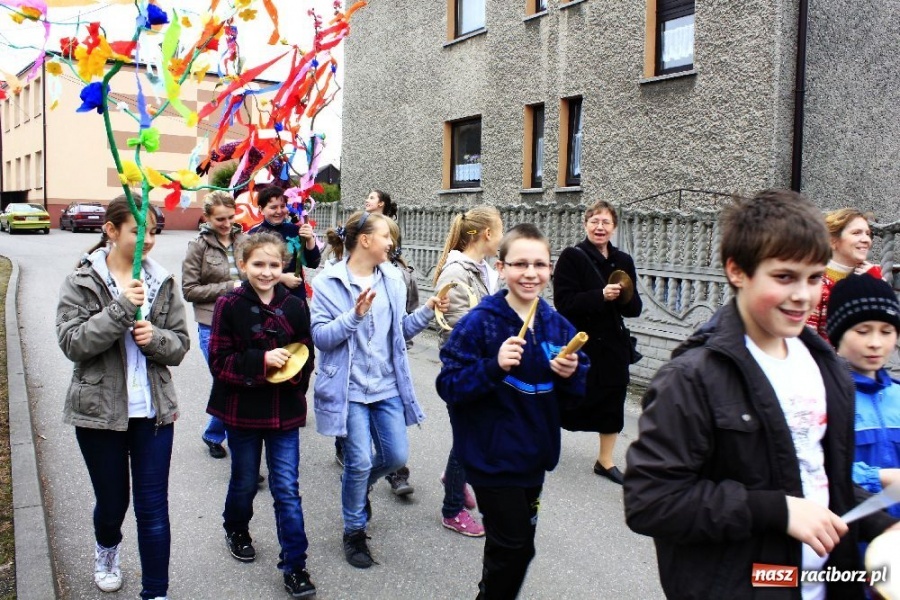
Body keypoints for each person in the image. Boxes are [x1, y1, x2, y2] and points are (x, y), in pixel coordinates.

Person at [623, 190, 900, 599]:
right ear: (738, 271)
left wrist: (879, 523)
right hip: (745, 585)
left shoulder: (827, 367)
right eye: (784, 277)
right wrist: (778, 510)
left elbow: (818, 477)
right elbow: (651, 500)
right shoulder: (691, 377)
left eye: (812, 277)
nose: (802, 295)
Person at [437, 223, 588, 599]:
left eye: (539, 264)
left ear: (550, 269)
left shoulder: (558, 326)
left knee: (509, 547)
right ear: (501, 268)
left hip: (534, 458)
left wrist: (572, 374)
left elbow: (577, 396)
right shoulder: (480, 323)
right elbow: (449, 385)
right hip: (491, 459)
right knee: (517, 548)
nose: (531, 273)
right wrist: (493, 366)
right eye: (520, 264)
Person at [56, 194, 190, 600]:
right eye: (138, 230)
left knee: (153, 509)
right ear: (111, 231)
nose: (148, 239)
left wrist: (155, 340)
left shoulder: (162, 280)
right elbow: (73, 343)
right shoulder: (82, 281)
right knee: (113, 504)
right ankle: (107, 550)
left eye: (153, 230)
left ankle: (156, 592)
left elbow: (180, 346)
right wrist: (118, 310)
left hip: (152, 413)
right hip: (98, 415)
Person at [310, 210, 448, 569]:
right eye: (386, 235)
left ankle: (357, 486)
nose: (392, 242)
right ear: (365, 240)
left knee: (396, 457)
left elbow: (399, 331)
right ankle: (354, 529)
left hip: (386, 385)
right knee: (358, 460)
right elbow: (322, 338)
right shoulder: (329, 282)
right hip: (349, 388)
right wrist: (354, 316)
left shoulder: (393, 278)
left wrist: (429, 312)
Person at [205, 232, 317, 598]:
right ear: (243, 264)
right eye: (258, 264)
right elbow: (219, 362)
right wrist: (262, 361)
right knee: (244, 479)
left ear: (283, 264)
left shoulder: (295, 304)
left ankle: (295, 564)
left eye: (273, 264)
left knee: (287, 489)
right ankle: (236, 527)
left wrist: (295, 381)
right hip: (242, 411)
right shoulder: (229, 304)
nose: (266, 272)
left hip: (284, 411)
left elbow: (306, 352)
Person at [553, 200, 642, 484]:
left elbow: (634, 309)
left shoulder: (623, 261)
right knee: (565, 398)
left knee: (613, 401)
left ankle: (605, 461)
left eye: (605, 222)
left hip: (614, 345)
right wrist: (600, 296)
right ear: (585, 224)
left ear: (614, 227)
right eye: (594, 221)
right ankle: (537, 441)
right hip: (581, 343)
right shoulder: (572, 257)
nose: (599, 227)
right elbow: (564, 303)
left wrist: (625, 297)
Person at [432, 206, 504, 537]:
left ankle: (454, 478)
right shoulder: (457, 272)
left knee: (473, 435)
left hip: (481, 366)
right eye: (500, 230)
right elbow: (455, 328)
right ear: (487, 234)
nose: (502, 237)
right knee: (468, 437)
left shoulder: (482, 269)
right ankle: (451, 510)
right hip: (464, 368)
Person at [826, 274, 900, 518]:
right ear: (838, 334)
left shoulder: (897, 395)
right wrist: (878, 476)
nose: (875, 343)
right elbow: (810, 470)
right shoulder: (821, 395)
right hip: (842, 536)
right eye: (863, 331)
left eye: (886, 331)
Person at [182, 191, 245, 459]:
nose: (227, 223)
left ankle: (213, 433)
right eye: (220, 218)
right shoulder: (198, 247)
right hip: (212, 325)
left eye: (231, 217)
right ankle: (242, 452)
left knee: (235, 384)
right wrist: (230, 287)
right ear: (207, 217)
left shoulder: (245, 240)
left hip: (243, 323)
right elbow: (189, 290)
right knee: (228, 382)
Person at [807, 207, 883, 340]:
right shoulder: (814, 283)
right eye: (856, 233)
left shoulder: (871, 276)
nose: (866, 239)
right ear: (832, 241)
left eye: (868, 233)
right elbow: (808, 342)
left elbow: (884, 329)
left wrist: (876, 285)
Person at [248, 185, 321, 305]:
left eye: (282, 206)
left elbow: (313, 263)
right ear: (261, 209)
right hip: (266, 301)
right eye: (273, 207)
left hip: (295, 299)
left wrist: (309, 240)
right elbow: (249, 273)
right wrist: (282, 278)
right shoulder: (254, 235)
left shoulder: (295, 230)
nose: (279, 211)